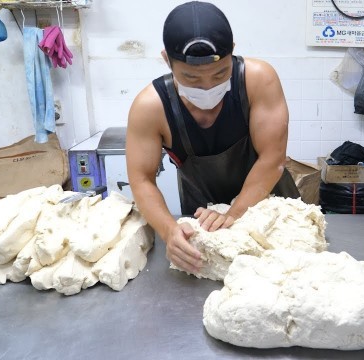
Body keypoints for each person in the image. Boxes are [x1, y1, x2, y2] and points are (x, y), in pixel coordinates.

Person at [126, 1, 300, 275]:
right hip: (202, 218)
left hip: (270, 209)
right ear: (166, 60)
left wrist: (233, 213)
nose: (208, 86)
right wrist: (169, 230)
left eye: (220, 73)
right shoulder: (151, 107)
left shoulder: (257, 80)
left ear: (232, 51)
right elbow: (141, 179)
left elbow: (272, 158)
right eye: (191, 78)